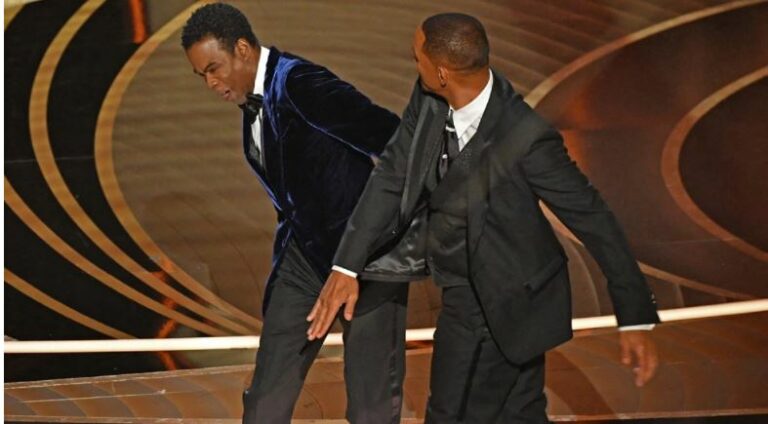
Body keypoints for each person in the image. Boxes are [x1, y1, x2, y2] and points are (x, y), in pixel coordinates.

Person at [308, 13, 660, 423]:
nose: (414, 64)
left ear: (442, 73)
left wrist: (634, 316)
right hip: (472, 289)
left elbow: (592, 217)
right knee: (518, 414)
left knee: (452, 415)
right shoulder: (428, 98)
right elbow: (392, 174)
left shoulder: (526, 137)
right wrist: (346, 265)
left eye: (418, 58)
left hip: (508, 296)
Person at [181, 3, 410, 423]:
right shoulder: (254, 105)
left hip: (367, 259)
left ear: (243, 49)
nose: (210, 83)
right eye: (202, 75)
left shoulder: (301, 84)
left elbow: (393, 141)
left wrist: (389, 234)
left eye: (214, 68)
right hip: (304, 258)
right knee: (266, 396)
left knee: (371, 405)